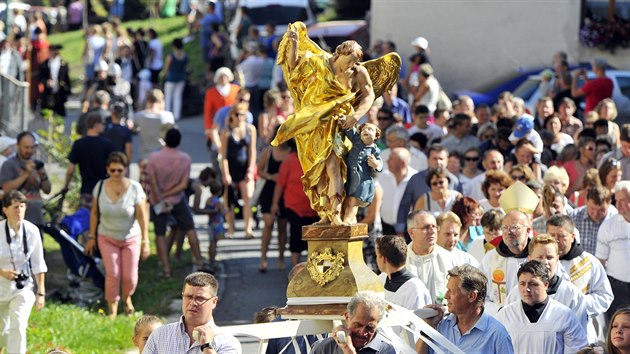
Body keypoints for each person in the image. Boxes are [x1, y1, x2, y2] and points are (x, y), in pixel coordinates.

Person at [270, 22, 399, 226]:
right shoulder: (318, 61)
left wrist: (355, 116)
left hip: (340, 125)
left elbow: (369, 95)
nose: (353, 65)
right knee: (318, 171)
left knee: (334, 166)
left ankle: (336, 212)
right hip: (313, 125)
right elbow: (294, 69)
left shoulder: (357, 72)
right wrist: (293, 45)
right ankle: (325, 213)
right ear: (340, 53)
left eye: (357, 61)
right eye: (351, 60)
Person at [85, 152, 149, 318]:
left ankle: (127, 298)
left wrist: (146, 241)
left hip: (130, 237)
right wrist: (91, 237)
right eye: (112, 170)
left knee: (129, 276)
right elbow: (94, 213)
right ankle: (112, 310)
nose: (116, 174)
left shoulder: (135, 188)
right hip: (107, 236)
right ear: (107, 169)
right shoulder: (100, 187)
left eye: (119, 170)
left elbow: (142, 215)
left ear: (125, 170)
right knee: (113, 274)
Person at [146, 128, 204, 278]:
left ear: (165, 140)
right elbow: (183, 185)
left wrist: (160, 196)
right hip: (177, 199)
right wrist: (168, 195)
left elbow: (151, 181)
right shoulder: (185, 158)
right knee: (190, 228)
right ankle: (199, 262)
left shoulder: (153, 157)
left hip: (157, 200)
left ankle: (166, 269)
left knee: (159, 233)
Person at [495, 260, 588, 353]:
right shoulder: (505, 315)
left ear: (546, 284)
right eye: (522, 284)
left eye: (533, 284)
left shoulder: (564, 316)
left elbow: (577, 349)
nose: (526, 289)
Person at [547, 214, 613, 343]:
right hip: (548, 329)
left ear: (572, 237)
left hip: (580, 328)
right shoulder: (539, 261)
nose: (556, 240)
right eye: (552, 235)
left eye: (561, 235)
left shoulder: (589, 262)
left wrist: (579, 303)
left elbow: (605, 295)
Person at [418, 265, 514, 354]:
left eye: (451, 291)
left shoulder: (497, 335)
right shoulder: (441, 326)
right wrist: (428, 328)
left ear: (472, 296)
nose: (446, 296)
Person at [143, 272, 242, 353]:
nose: (192, 303)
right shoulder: (160, 335)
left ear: (214, 302)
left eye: (200, 298)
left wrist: (207, 346)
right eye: (189, 297)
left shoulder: (227, 342)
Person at [480, 181, 539, 312]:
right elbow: (480, 295)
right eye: (505, 227)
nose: (508, 232)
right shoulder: (491, 257)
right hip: (499, 321)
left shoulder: (539, 256)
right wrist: (500, 311)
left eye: (514, 227)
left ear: (528, 230)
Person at [0, 191, 47, 354]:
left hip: (23, 288)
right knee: (2, 333)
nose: (19, 210)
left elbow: (38, 263)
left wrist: (41, 293)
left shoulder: (32, 231)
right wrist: (2, 272)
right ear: (5, 210)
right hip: (1, 287)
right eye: (15, 207)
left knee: (19, 325)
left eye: (22, 206)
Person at [271, 139, 318, 266]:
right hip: (294, 207)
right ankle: (295, 271)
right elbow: (280, 184)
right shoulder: (289, 160)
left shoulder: (315, 159)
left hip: (314, 208)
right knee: (296, 237)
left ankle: (312, 272)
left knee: (313, 241)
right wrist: (275, 203)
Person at [396, 144, 460, 234]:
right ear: (428, 160)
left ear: (447, 160)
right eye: (434, 158)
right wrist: (400, 229)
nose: (438, 162)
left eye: (441, 159)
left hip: (450, 233)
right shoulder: (415, 179)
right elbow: (405, 205)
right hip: (423, 231)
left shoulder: (454, 181)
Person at [310, 291, 396, 354]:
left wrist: (348, 350)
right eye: (358, 324)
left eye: (370, 327)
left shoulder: (386, 350)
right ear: (347, 317)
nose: (363, 332)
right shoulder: (323, 348)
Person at [63, 113, 115, 209]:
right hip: (105, 189)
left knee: (86, 219)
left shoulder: (79, 144)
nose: (104, 126)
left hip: (86, 190)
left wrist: (66, 186)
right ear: (96, 125)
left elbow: (70, 170)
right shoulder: (108, 144)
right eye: (103, 124)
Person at [220, 104, 257, 238]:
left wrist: (250, 170)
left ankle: (248, 229)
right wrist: (226, 174)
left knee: (248, 197)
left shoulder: (250, 129)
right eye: (237, 114)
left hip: (244, 168)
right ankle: (231, 227)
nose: (240, 117)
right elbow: (223, 155)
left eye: (243, 114)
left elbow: (252, 151)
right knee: (229, 199)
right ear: (232, 116)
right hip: (231, 167)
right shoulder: (227, 132)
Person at [0, 131, 51, 227]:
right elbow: (6, 189)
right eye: (26, 147)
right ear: (18, 146)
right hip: (16, 220)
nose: (29, 150)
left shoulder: (37, 164)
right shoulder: (9, 164)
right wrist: (26, 174)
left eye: (32, 147)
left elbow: (47, 190)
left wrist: (43, 175)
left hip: (36, 218)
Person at [405, 210, 457, 303]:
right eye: (426, 227)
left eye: (434, 226)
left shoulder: (449, 258)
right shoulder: (400, 259)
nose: (432, 231)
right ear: (411, 232)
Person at [596, 181, 630, 322]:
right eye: (617, 200)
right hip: (617, 288)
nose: (619, 204)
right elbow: (600, 262)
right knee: (617, 328)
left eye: (623, 200)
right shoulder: (608, 225)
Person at [258, 130, 290, 272]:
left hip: (285, 192)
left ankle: (281, 258)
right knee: (268, 223)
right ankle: (263, 258)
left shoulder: (291, 152)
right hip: (269, 189)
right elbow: (258, 170)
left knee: (282, 226)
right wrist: (271, 177)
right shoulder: (269, 151)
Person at [340, 122, 383, 224]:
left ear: (376, 136)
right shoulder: (356, 140)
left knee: (353, 201)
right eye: (364, 129)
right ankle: (351, 218)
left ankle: (347, 219)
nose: (366, 131)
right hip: (350, 177)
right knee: (347, 201)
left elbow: (380, 164)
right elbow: (350, 131)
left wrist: (375, 164)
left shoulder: (375, 150)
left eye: (370, 129)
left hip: (362, 181)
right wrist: (344, 121)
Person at [376, 234, 431, 310]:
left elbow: (417, 320)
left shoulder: (415, 289)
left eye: (377, 256)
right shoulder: (380, 280)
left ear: (383, 259)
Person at [378, 147, 416, 235]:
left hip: (409, 230)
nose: (387, 161)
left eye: (391, 159)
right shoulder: (383, 176)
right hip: (385, 228)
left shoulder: (415, 179)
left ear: (402, 163)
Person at [39, 44, 71, 117]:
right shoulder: (45, 64)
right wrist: (47, 82)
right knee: (48, 114)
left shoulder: (63, 64)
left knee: (60, 115)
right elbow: (41, 78)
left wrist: (68, 91)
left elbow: (66, 79)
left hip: (60, 93)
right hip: (48, 94)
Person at [163, 38, 188, 121]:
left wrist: (164, 75)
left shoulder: (171, 56)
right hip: (181, 78)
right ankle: (176, 115)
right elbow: (185, 68)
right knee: (178, 96)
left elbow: (166, 68)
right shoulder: (185, 55)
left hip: (171, 78)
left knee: (168, 97)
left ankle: (167, 114)